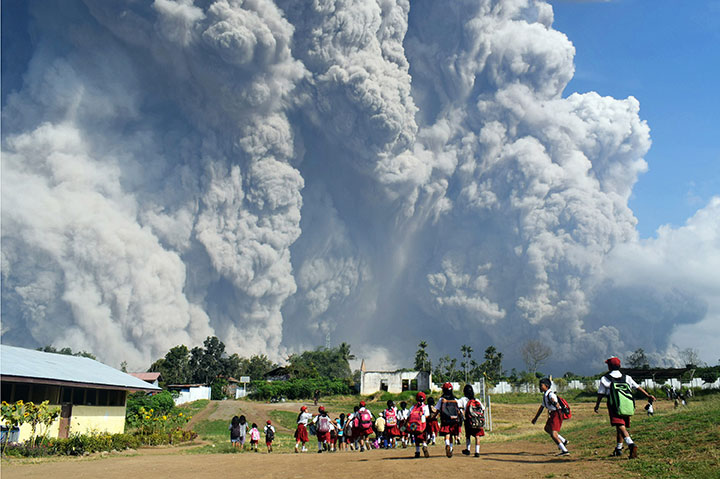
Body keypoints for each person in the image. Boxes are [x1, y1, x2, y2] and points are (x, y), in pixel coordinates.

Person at [594, 357, 655, 459]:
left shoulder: (605, 379)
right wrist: (648, 395)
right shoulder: (626, 377)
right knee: (620, 427)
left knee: (620, 425)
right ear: (619, 366)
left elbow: (600, 393)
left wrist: (597, 405)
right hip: (627, 403)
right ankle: (618, 448)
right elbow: (637, 387)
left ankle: (631, 444)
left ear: (609, 366)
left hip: (614, 404)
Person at [531, 378, 569, 456]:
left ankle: (564, 450)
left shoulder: (550, 394)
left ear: (547, 386)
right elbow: (541, 408)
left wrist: (554, 403)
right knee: (547, 428)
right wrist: (535, 418)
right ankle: (563, 441)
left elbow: (555, 402)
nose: (540, 387)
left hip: (556, 414)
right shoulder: (545, 395)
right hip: (552, 414)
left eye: (541, 385)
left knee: (553, 434)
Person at [458, 384, 486, 458]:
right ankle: (477, 451)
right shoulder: (476, 400)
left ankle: (468, 449)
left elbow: (459, 407)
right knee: (477, 436)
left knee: (468, 436)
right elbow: (483, 408)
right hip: (477, 420)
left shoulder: (463, 399)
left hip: (468, 420)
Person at [436, 382, 463, 457]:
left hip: (445, 420)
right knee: (452, 434)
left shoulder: (442, 399)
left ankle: (447, 444)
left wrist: (435, 415)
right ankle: (450, 449)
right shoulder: (455, 399)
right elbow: (459, 409)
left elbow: (437, 409)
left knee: (447, 434)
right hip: (454, 420)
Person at [407, 391, 430, 458]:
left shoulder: (413, 407)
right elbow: (427, 415)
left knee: (416, 438)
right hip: (422, 424)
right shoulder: (425, 407)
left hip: (414, 425)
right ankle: (424, 445)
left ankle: (417, 452)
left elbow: (408, 415)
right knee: (423, 437)